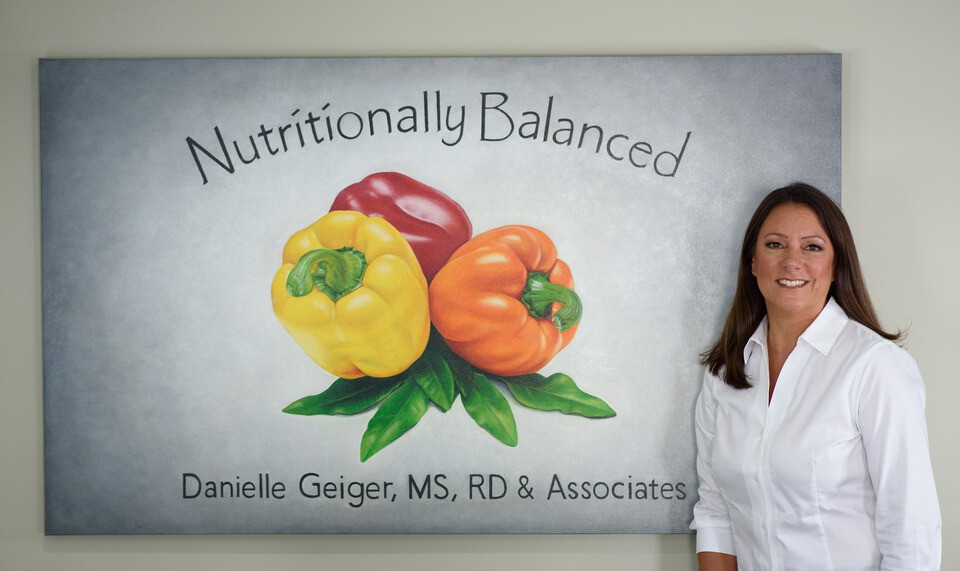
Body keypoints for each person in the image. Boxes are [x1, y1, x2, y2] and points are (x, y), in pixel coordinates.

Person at [691, 182, 941, 570]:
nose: (793, 262)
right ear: (753, 262)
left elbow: (912, 529)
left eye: (812, 247)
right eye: (775, 245)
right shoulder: (724, 373)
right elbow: (716, 512)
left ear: (836, 265)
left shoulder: (875, 366)